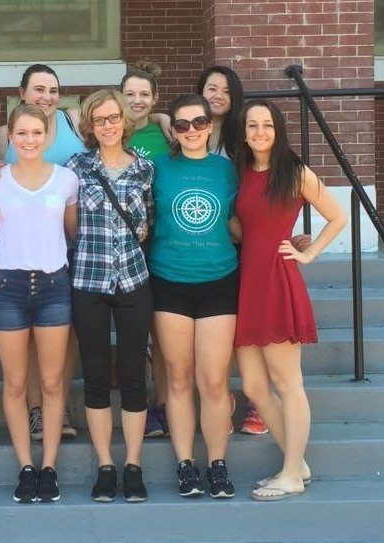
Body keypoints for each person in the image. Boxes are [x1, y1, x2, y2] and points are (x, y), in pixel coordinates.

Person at [233, 99, 346, 501]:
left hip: (278, 281)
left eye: (267, 125)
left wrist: (310, 251)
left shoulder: (295, 172)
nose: (260, 131)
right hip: (247, 283)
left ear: (278, 130)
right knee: (253, 386)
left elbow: (338, 215)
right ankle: (296, 463)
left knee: (287, 383)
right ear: (243, 132)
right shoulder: (241, 172)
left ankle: (291, 474)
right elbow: (242, 224)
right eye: (252, 125)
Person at [0, 104, 79, 503]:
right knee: (17, 382)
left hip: (55, 284)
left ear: (47, 136)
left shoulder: (67, 179)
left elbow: (72, 231)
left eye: (36, 133)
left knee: (54, 382)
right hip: (8, 286)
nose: (29, 140)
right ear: (10, 136)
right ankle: (26, 466)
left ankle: (50, 466)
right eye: (21, 133)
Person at [66, 89, 154, 503]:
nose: (108, 125)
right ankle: (105, 465)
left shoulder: (145, 168)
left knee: (135, 376)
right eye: (99, 119)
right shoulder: (75, 168)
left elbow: (148, 222)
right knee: (96, 376)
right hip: (89, 281)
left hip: (134, 281)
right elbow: (68, 223)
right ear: (89, 124)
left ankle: (133, 465)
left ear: (125, 120)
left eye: (113, 117)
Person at [150, 94, 238, 500]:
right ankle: (185, 463)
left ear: (210, 125)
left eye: (198, 123)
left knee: (214, 380)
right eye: (182, 125)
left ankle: (217, 463)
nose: (190, 131)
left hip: (219, 279)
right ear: (173, 130)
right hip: (169, 281)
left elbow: (243, 219)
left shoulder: (227, 170)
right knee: (180, 378)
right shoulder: (159, 168)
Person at [197, 65, 269, 435]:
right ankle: (221, 401)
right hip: (204, 247)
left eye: (226, 89)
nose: (218, 95)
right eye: (211, 88)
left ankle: (258, 402)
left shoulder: (245, 137)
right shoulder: (186, 130)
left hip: (244, 241)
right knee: (221, 333)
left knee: (250, 326)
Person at [120, 60, 171, 439]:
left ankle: (163, 405)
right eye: (130, 94)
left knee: (161, 333)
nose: (136, 101)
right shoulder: (108, 129)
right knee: (133, 332)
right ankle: (136, 405)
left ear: (154, 99)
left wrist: (167, 120)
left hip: (159, 240)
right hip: (117, 247)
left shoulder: (164, 134)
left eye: (144, 94)